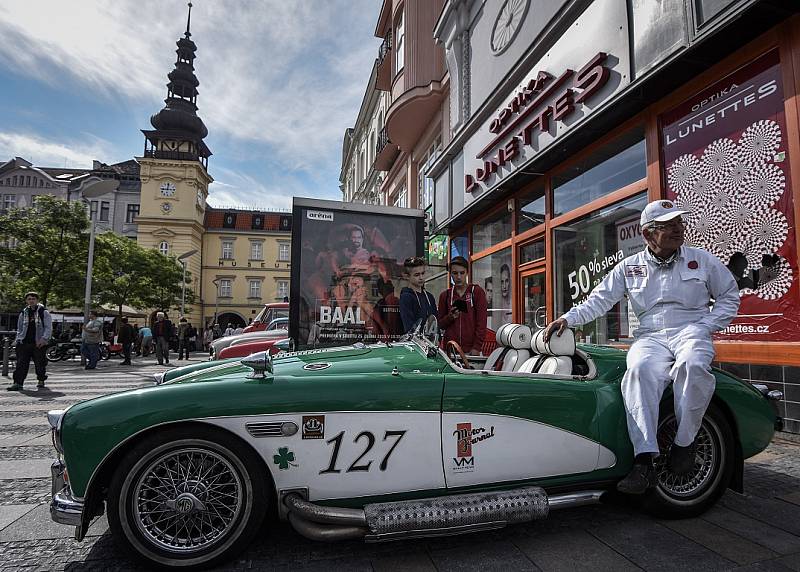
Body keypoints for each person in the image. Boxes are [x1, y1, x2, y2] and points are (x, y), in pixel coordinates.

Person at [544, 200, 739, 494]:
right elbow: (600, 299)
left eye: (679, 223)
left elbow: (729, 295)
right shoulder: (630, 267)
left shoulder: (701, 259)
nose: (677, 229)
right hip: (650, 335)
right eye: (668, 226)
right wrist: (568, 319)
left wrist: (706, 325)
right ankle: (644, 461)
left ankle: (685, 444)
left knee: (693, 364)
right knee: (637, 370)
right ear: (648, 234)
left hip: (692, 329)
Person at [438, 256, 488, 355]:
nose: (459, 277)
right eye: (455, 273)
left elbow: (482, 323)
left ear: (467, 272)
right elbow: (440, 324)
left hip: (472, 350)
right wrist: (450, 317)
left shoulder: (476, 292)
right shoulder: (445, 295)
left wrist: (477, 347)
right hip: (450, 350)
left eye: (462, 273)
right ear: (450, 274)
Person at [7, 292, 52, 391]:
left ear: (37, 300)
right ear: (26, 301)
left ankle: (41, 379)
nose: (31, 300)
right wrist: (19, 339)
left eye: (33, 299)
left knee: (40, 364)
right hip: (24, 342)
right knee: (21, 363)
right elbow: (19, 327)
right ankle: (18, 383)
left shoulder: (44, 312)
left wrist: (44, 339)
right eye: (29, 299)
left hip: (38, 342)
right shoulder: (24, 312)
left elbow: (48, 327)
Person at [398, 256, 437, 333]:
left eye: (422, 273)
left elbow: (435, 321)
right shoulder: (406, 297)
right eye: (416, 275)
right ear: (407, 276)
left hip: (431, 342)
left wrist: (437, 339)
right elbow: (409, 327)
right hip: (414, 343)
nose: (421, 277)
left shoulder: (429, 297)